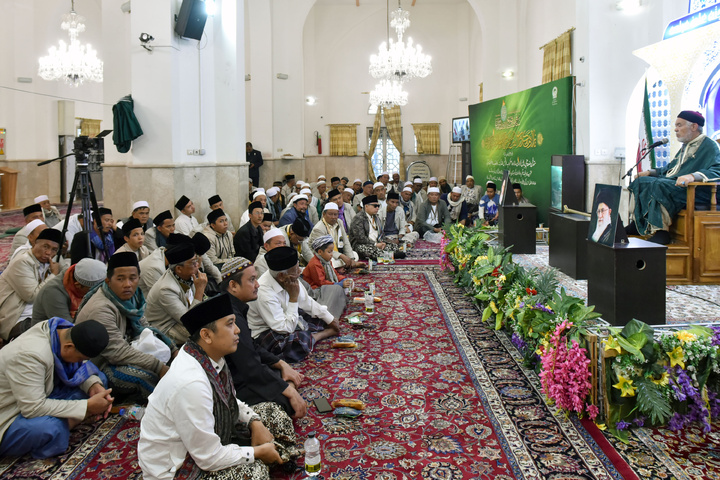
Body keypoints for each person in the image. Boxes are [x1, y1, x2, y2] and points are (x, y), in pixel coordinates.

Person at [138, 294, 290, 480]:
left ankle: (268, 455)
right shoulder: (191, 382)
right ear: (206, 335)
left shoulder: (209, 355)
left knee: (273, 413)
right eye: (229, 324)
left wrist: (254, 422)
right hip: (177, 467)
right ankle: (268, 458)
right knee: (254, 472)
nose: (237, 330)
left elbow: (231, 400)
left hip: (205, 441)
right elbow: (208, 458)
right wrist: (256, 453)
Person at [0, 318, 112, 460]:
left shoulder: (61, 330)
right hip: (11, 414)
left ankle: (69, 421)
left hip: (46, 392)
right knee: (51, 428)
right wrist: (86, 407)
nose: (79, 362)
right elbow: (33, 408)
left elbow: (82, 366)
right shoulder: (29, 355)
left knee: (99, 380)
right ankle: (67, 424)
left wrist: (93, 385)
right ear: (69, 347)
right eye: (79, 358)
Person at [76, 252, 175, 401]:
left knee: (172, 358)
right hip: (100, 364)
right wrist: (158, 367)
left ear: (138, 279)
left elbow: (145, 327)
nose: (127, 284)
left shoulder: (132, 296)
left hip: (127, 347)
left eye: (132, 278)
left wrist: (173, 350)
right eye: (120, 279)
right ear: (108, 281)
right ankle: (162, 408)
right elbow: (117, 353)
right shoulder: (101, 308)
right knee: (146, 376)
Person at [221, 258, 307, 418]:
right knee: (285, 403)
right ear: (233, 285)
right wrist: (286, 389)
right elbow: (249, 366)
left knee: (279, 371)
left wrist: (280, 363)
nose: (258, 285)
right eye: (252, 280)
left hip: (242, 370)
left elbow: (250, 345)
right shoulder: (229, 315)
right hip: (231, 382)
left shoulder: (234, 306)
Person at [628, 110, 720, 244]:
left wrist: (693, 176)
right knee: (641, 182)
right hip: (679, 186)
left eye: (679, 125)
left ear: (694, 127)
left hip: (698, 190)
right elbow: (671, 168)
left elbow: (717, 170)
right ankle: (638, 224)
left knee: (660, 185)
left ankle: (662, 232)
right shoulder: (686, 146)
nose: (675, 129)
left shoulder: (710, 146)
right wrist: (650, 172)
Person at [247, 246, 340, 363]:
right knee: (290, 346)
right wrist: (293, 297)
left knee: (318, 317)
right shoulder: (264, 293)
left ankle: (310, 336)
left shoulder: (290, 278)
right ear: (281, 276)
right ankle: (319, 336)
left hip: (286, 318)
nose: (300, 272)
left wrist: (330, 319)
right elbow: (284, 329)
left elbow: (307, 302)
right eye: (296, 270)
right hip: (268, 330)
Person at [0, 229, 62, 341]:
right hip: (16, 317)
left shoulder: (48, 262)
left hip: (36, 312)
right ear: (34, 243)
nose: (48, 253)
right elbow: (32, 296)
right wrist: (53, 275)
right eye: (45, 246)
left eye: (54, 250)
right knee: (50, 334)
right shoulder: (22, 261)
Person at [146, 243, 207, 345]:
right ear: (179, 269)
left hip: (182, 316)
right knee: (204, 334)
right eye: (193, 263)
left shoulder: (187, 276)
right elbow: (189, 321)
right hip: (166, 326)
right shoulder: (166, 289)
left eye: (197, 260)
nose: (197, 265)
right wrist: (200, 290)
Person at [32, 258, 107, 323]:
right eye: (95, 289)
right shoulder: (53, 292)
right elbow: (68, 329)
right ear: (78, 285)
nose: (99, 291)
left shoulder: (74, 278)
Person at [309, 202, 362, 269]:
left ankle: (343, 265)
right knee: (330, 261)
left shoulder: (339, 222)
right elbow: (322, 249)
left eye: (335, 214)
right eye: (330, 214)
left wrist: (351, 259)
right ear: (324, 214)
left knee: (355, 254)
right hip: (322, 254)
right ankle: (340, 266)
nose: (333, 217)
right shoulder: (319, 228)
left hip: (336, 253)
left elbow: (345, 241)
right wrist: (341, 256)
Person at [349, 195, 403, 260]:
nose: (377, 208)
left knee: (394, 246)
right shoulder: (358, 218)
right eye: (375, 206)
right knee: (370, 250)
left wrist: (382, 243)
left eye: (378, 206)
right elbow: (361, 238)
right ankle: (387, 254)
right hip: (362, 244)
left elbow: (381, 234)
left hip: (377, 242)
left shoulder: (376, 217)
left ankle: (386, 254)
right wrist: (375, 244)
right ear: (366, 206)